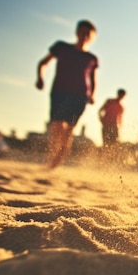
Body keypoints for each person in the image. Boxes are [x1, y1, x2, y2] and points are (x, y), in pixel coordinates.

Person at [36, 20, 98, 170]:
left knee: (68, 130)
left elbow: (92, 80)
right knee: (56, 127)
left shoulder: (91, 58)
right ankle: (53, 156)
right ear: (77, 32)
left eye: (87, 34)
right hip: (59, 92)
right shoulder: (61, 47)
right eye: (82, 32)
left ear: (91, 37)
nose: (84, 35)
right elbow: (43, 63)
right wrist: (40, 77)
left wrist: (93, 95)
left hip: (80, 96)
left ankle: (55, 162)